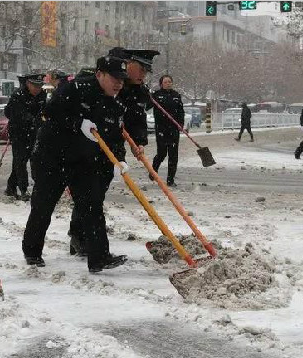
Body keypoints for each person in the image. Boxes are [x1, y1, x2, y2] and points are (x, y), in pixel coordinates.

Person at [22, 55, 129, 273]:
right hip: (52, 156)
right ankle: (32, 252)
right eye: (114, 78)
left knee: (92, 206)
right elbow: (49, 113)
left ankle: (98, 258)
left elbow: (115, 136)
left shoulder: (115, 102)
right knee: (43, 206)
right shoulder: (75, 88)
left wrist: (119, 160)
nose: (119, 83)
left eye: (122, 79)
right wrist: (77, 122)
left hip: (82, 161)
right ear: (99, 74)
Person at [68, 48, 159, 257]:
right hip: (89, 146)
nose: (143, 75)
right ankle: (80, 238)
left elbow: (136, 119)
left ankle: (83, 237)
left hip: (113, 149)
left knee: (97, 194)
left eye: (146, 71)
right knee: (88, 195)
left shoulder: (138, 90)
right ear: (128, 63)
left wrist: (139, 142)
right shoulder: (103, 80)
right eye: (141, 69)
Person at [4, 73, 47, 200]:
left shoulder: (42, 96)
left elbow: (43, 113)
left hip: (34, 134)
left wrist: (41, 122)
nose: (38, 88)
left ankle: (10, 187)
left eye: (40, 86)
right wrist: (30, 120)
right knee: (21, 162)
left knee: (22, 162)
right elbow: (14, 114)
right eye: (35, 86)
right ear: (28, 84)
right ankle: (23, 190)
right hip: (19, 134)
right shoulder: (18, 96)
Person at [151, 74, 185, 187]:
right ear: (161, 84)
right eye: (165, 82)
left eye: (170, 81)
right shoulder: (156, 95)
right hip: (161, 128)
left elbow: (181, 111)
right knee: (161, 153)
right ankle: (153, 170)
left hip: (174, 129)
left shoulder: (176, 95)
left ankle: (170, 180)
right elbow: (147, 106)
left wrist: (181, 124)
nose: (168, 83)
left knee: (173, 155)